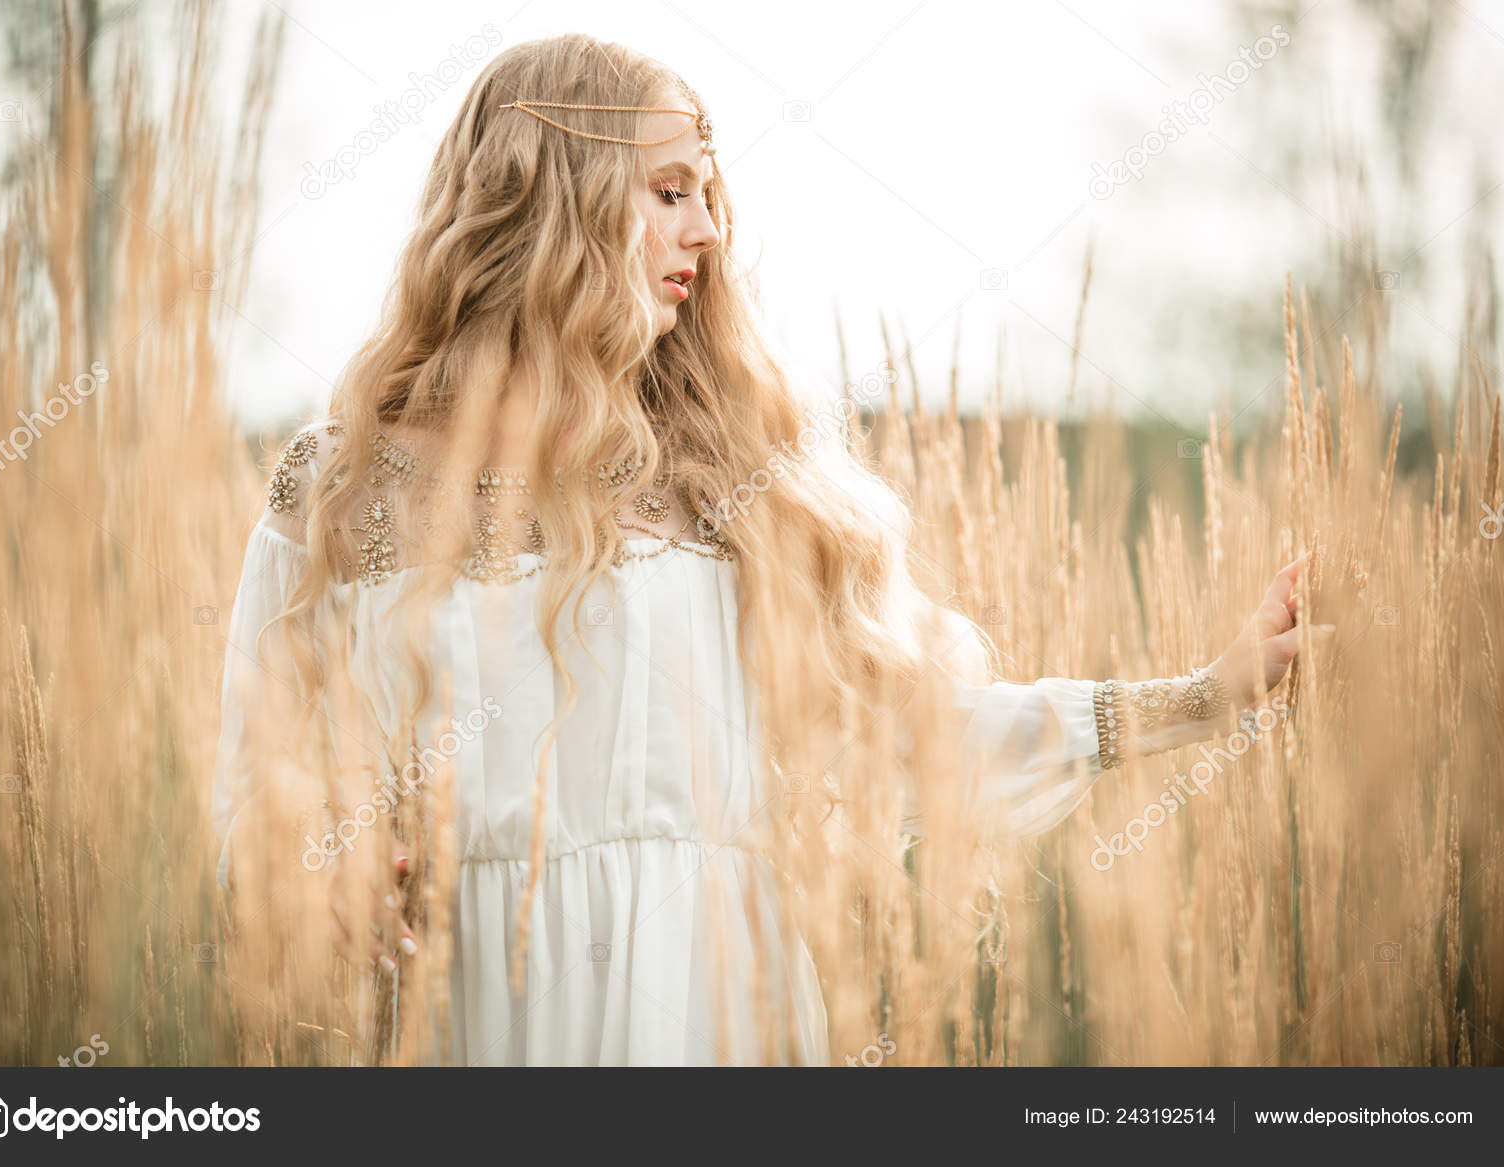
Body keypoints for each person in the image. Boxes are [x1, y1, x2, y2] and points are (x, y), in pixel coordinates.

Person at [210, 33, 1308, 1066]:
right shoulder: (347, 485)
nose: (706, 232)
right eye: (670, 191)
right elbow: (258, 779)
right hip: (475, 1021)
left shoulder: (725, 478)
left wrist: (1208, 696)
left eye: (708, 198)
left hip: (724, 1018)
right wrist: (312, 862)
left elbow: (908, 737)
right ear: (554, 202)